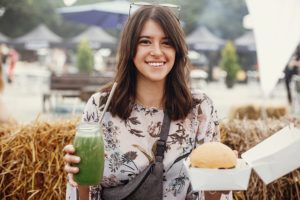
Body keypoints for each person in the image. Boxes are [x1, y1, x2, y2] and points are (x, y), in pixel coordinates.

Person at [63, 4, 232, 200]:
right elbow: (85, 195)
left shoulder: (200, 108)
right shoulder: (100, 107)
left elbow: (210, 193)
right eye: (145, 42)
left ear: (177, 50)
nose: (157, 52)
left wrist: (222, 179)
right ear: (130, 48)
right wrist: (80, 178)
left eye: (167, 42)